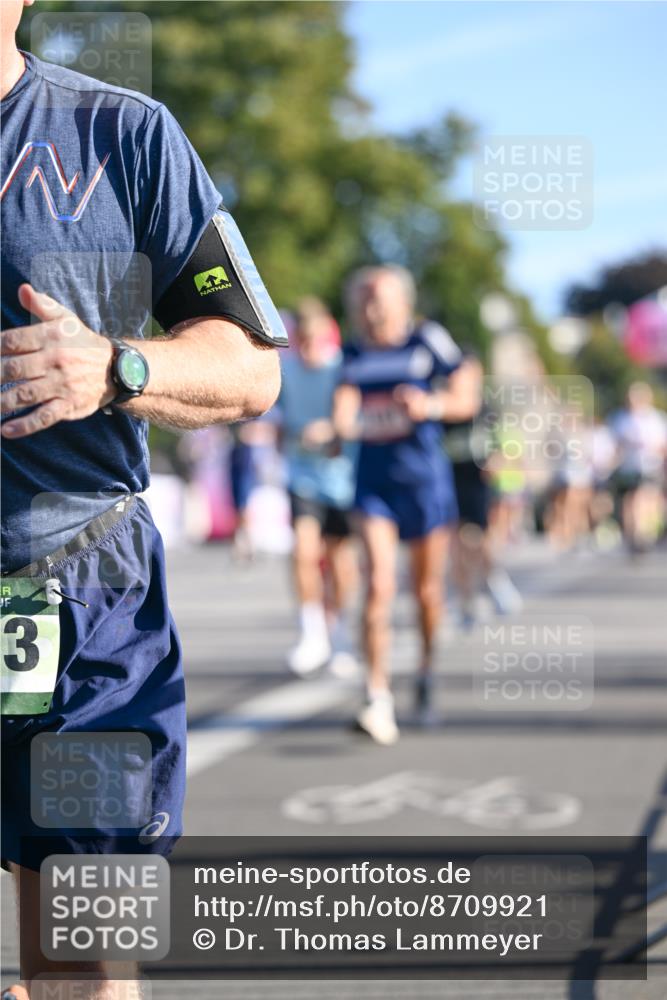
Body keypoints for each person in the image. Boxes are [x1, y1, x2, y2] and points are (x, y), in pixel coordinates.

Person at [0, 4, 284, 997]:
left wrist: (115, 366)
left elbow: (252, 370)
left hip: (83, 592)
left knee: (80, 949)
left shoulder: (121, 135)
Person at [333, 266, 478, 744]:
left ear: (402, 300)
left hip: (425, 485)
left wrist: (430, 406)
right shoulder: (353, 351)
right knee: (376, 584)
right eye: (365, 297)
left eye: (380, 297)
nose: (371, 307)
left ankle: (426, 669)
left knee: (426, 593)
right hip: (374, 485)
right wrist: (338, 428)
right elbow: (344, 405)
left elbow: (465, 395)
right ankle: (377, 696)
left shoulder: (426, 340)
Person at [277, 298, 358, 676]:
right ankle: (312, 632)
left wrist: (325, 429)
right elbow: (274, 412)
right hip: (301, 476)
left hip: (340, 480)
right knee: (303, 551)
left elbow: (345, 416)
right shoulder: (287, 370)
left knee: (340, 561)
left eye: (315, 339)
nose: (309, 347)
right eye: (302, 340)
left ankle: (339, 634)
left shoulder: (341, 369)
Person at [446, 352, 522, 628]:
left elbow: (507, 443)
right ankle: (466, 601)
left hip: (479, 480)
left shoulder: (487, 408)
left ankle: (494, 580)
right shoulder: (444, 408)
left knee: (479, 540)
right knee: (456, 545)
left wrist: (499, 459)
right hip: (451, 478)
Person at [609, 382, 667, 552]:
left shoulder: (656, 418)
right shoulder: (621, 418)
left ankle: (644, 533)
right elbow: (615, 446)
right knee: (630, 502)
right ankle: (633, 535)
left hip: (650, 466)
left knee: (647, 499)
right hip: (629, 468)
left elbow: (662, 445)